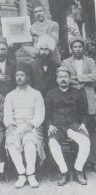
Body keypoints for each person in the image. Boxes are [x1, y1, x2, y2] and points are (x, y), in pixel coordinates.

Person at [46, 66, 90, 186]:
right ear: (56, 79)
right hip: (57, 126)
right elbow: (47, 114)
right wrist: (49, 125)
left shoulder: (77, 93)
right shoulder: (51, 94)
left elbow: (85, 112)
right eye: (60, 77)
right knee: (53, 143)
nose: (63, 79)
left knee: (85, 141)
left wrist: (83, 124)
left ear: (70, 78)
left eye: (65, 77)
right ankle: (64, 172)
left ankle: (78, 170)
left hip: (73, 125)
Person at [4, 63, 45, 188]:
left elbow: (40, 113)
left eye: (22, 75)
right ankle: (21, 174)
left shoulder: (36, 94)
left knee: (29, 142)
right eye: (17, 75)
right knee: (11, 141)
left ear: (27, 77)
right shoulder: (10, 95)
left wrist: (31, 125)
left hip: (32, 126)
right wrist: (10, 125)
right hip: (16, 126)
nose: (19, 77)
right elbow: (7, 113)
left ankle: (31, 174)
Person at [61, 36, 96, 166]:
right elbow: (65, 78)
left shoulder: (90, 61)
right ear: (71, 49)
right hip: (73, 98)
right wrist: (77, 81)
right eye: (75, 47)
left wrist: (79, 78)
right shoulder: (66, 62)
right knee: (76, 127)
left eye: (80, 47)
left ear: (83, 48)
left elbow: (94, 75)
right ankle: (78, 160)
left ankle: (93, 160)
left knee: (91, 128)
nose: (77, 49)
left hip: (89, 97)